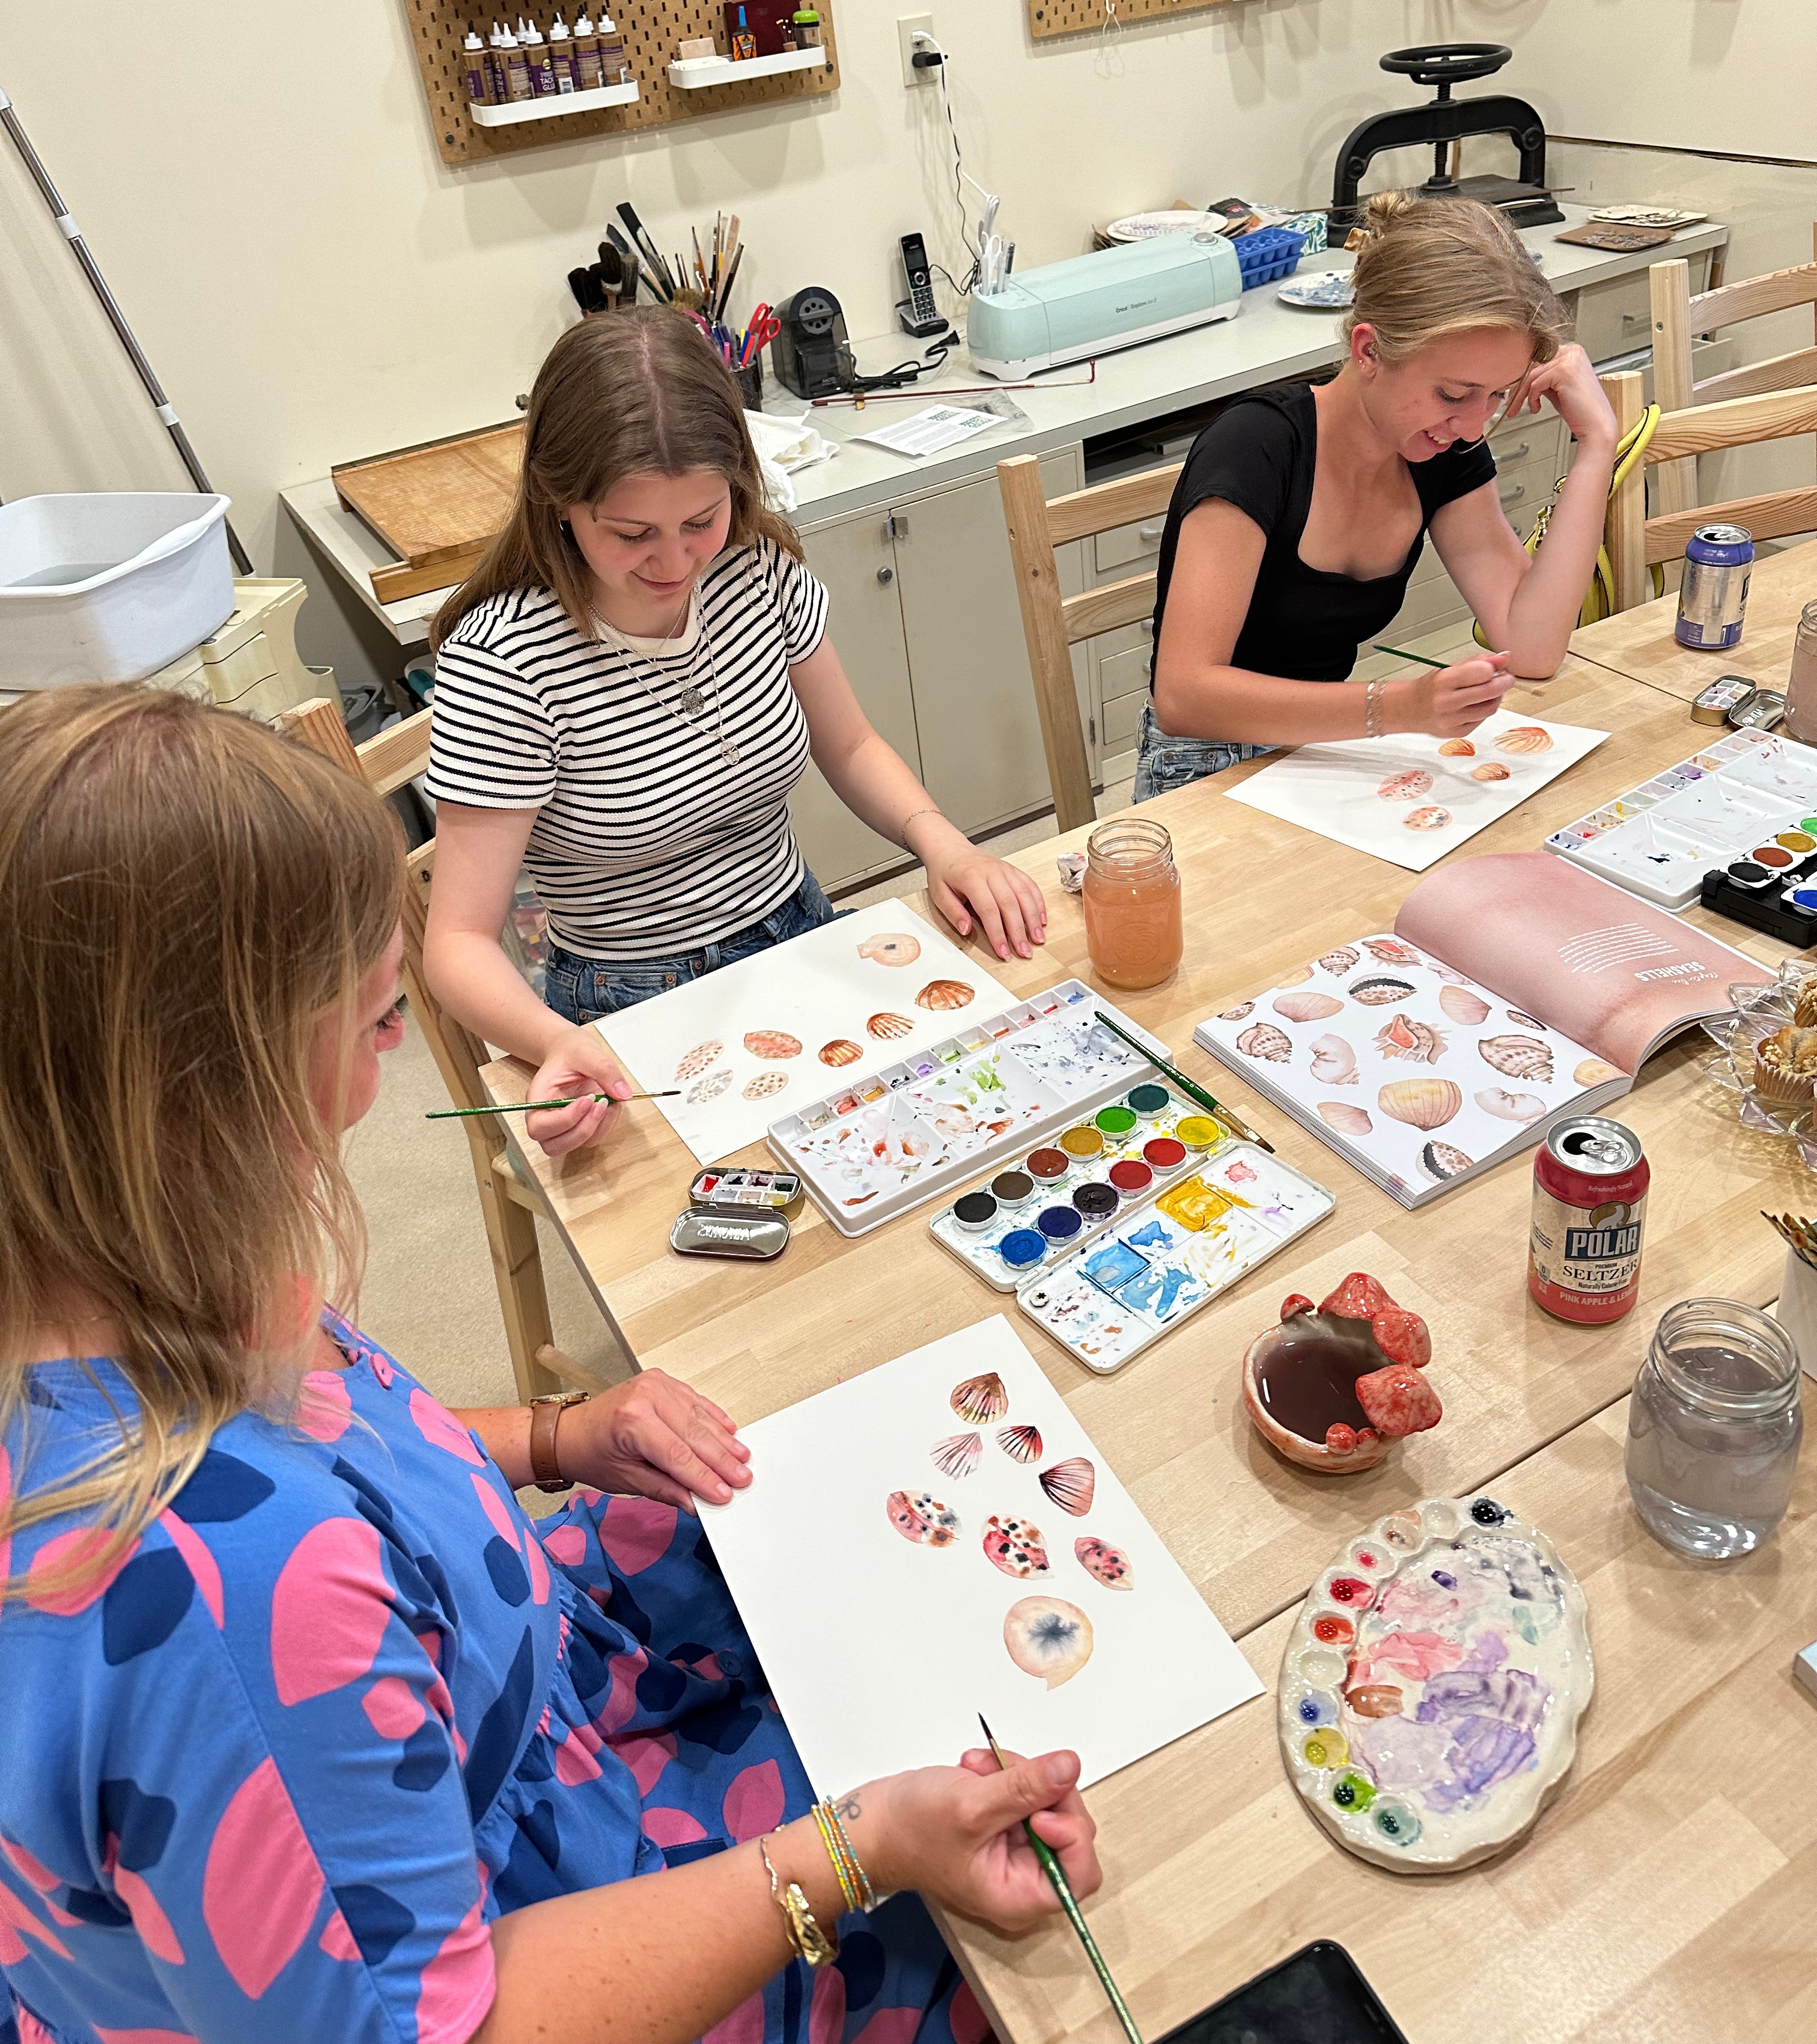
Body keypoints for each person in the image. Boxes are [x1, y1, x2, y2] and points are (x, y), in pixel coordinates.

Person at [0, 686, 1099, 2044]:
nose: (387, 1059)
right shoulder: (233, 1600)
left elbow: (319, 1442)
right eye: (376, 1023)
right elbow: (443, 2027)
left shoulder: (99, 1266)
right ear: (205, 1096)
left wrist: (554, 1439)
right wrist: (857, 1852)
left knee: (798, 1506)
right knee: (1044, 1940)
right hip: (524, 1930)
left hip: (486, 1700)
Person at [424, 309, 1046, 1159]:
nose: (676, 563)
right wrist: (551, 1041)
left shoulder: (755, 568)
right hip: (629, 999)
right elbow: (458, 942)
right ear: (558, 502)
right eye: (631, 533)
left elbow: (852, 746)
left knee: (959, 1133)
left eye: (701, 520)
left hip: (799, 930)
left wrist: (945, 845)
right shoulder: (506, 662)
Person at [1135, 192, 1619, 801]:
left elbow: (1533, 649)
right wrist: (1399, 707)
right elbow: (1184, 697)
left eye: (1495, 396)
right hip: (1202, 769)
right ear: (1368, 351)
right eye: (1453, 394)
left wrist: (1597, 443)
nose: (1473, 426)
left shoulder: (1442, 451)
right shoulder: (1257, 447)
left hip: (1320, 752)